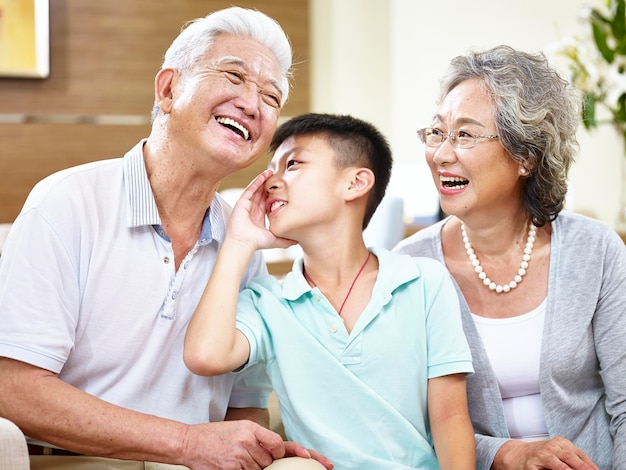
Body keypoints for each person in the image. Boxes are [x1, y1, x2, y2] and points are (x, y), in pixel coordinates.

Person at [0, 7, 333, 470]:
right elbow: (12, 386)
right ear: (169, 88)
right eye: (233, 77)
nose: (253, 105)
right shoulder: (67, 202)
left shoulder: (243, 242)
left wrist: (253, 451)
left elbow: (244, 401)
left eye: (271, 97)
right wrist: (186, 444)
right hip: (77, 462)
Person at [183, 112, 476, 469]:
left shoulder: (424, 281)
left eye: (292, 164)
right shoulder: (267, 302)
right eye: (270, 168)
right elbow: (204, 356)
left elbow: (450, 419)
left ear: (355, 183)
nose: (269, 182)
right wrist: (239, 241)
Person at [394, 45, 626, 470]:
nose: (442, 153)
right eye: (436, 132)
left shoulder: (597, 250)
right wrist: (506, 454)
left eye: (465, 134)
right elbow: (406, 423)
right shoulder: (408, 267)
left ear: (525, 156)